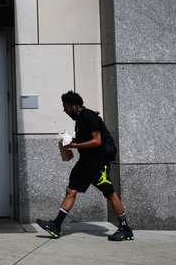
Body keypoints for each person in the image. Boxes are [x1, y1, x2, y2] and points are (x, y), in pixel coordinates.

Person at [36, 90, 134, 241]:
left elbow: (97, 141)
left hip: (97, 165)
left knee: (110, 194)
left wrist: (74, 145)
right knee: (71, 190)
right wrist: (69, 139)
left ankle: (125, 228)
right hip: (84, 164)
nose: (64, 110)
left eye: (66, 107)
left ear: (75, 106)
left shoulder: (89, 117)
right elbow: (85, 137)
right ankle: (56, 225)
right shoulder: (80, 119)